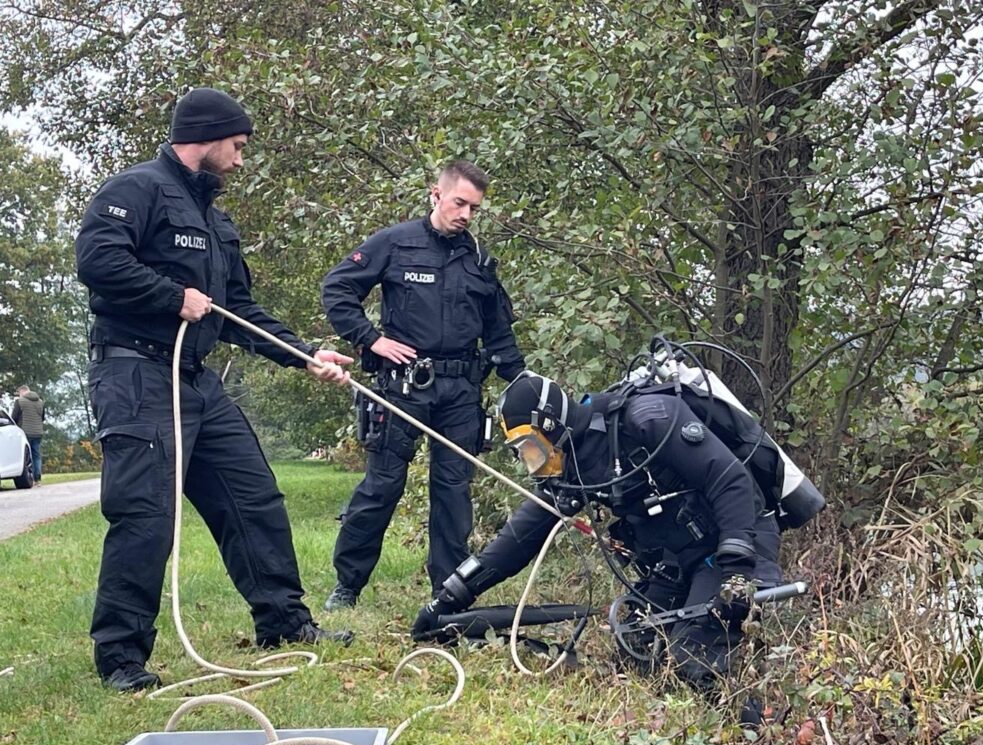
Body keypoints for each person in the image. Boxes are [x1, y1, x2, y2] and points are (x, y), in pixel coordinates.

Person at [76, 87, 355, 692]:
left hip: (197, 381)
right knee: (145, 517)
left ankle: (283, 623)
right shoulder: (135, 190)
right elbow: (97, 261)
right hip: (135, 375)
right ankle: (121, 659)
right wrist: (172, 297)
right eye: (237, 145)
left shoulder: (214, 221)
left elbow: (238, 311)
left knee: (253, 498)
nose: (240, 158)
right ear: (206, 136)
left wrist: (305, 356)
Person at [410, 371, 785, 695]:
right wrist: (448, 600)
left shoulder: (647, 420)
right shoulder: (570, 467)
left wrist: (736, 572)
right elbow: (518, 540)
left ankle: (748, 719)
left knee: (694, 659)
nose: (531, 462)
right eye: (522, 453)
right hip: (676, 564)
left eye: (531, 448)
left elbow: (731, 480)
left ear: (550, 424)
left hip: (730, 546)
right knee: (637, 647)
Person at [320, 160, 526, 610]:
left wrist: (524, 382)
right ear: (436, 194)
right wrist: (372, 339)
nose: (466, 215)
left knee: (453, 493)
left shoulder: (480, 260)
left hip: (460, 394)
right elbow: (337, 289)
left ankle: (447, 594)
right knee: (382, 487)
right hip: (404, 388)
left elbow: (499, 333)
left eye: (474, 208)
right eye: (459, 203)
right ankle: (347, 587)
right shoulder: (395, 243)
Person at [11, 386, 45, 484]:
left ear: (22, 392)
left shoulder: (19, 402)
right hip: (38, 432)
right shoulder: (40, 402)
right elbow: (42, 417)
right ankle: (37, 479)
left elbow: (14, 418)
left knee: (26, 457)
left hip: (25, 432)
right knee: (36, 455)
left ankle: (28, 478)